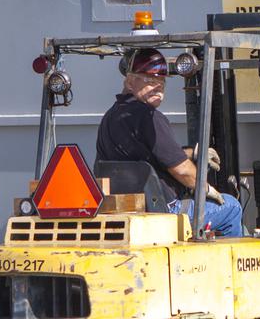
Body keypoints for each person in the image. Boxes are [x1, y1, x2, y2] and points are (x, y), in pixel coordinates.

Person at [96, 49, 244, 237]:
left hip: (128, 206)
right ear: (130, 81)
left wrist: (193, 153)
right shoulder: (149, 117)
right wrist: (206, 188)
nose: (158, 87)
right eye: (150, 81)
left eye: (162, 82)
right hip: (164, 210)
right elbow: (182, 170)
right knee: (231, 206)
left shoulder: (112, 117)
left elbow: (154, 155)